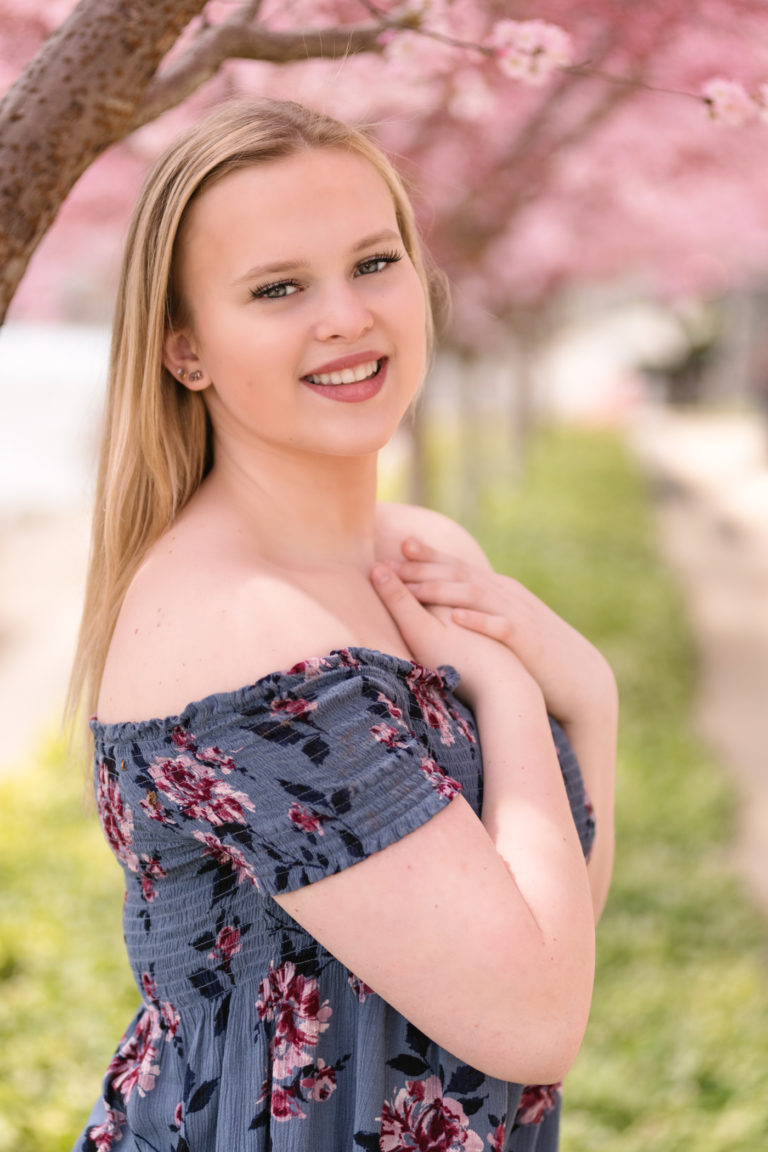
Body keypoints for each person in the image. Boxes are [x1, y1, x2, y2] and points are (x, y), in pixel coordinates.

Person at [69, 97, 617, 1152]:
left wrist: (587, 698)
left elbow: (555, 938)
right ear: (187, 352)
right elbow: (538, 1023)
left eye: (374, 263)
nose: (348, 317)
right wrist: (510, 689)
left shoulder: (415, 551)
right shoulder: (241, 634)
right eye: (279, 288)